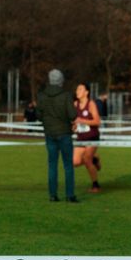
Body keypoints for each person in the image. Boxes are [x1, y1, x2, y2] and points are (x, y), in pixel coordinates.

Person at [36, 68, 77, 201]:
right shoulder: (66, 95)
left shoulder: (41, 96)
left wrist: (47, 121)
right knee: (68, 165)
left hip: (49, 134)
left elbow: (38, 115)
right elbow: (72, 115)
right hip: (64, 133)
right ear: (61, 80)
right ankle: (70, 195)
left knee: (52, 165)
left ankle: (53, 195)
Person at [73, 84, 102, 191]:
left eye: (80, 89)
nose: (77, 91)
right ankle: (95, 159)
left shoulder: (91, 104)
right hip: (81, 137)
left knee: (86, 159)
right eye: (77, 89)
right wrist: (74, 126)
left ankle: (95, 185)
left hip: (92, 137)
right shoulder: (75, 104)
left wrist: (82, 121)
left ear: (86, 92)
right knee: (75, 162)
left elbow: (97, 121)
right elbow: (73, 121)